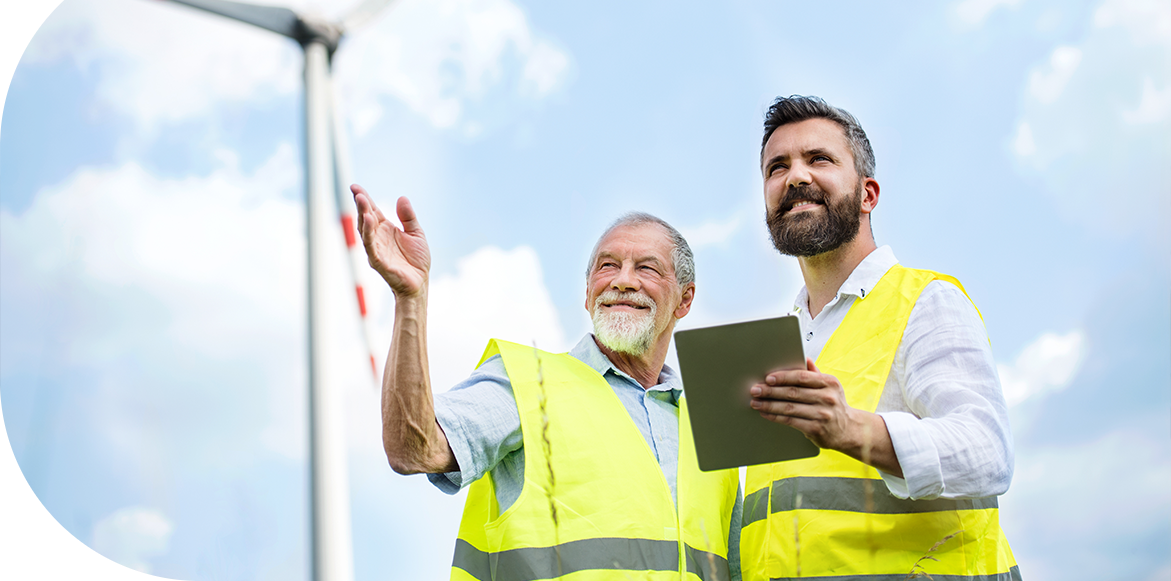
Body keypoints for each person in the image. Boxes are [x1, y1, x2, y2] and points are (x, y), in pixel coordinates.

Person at [350, 184, 742, 581]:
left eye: (646, 268)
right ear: (588, 294)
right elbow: (413, 449)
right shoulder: (527, 383)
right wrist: (410, 299)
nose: (622, 280)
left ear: (685, 299)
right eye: (607, 266)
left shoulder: (712, 431)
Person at [740, 96, 1020, 580]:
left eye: (819, 159)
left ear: (868, 194)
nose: (795, 177)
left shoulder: (926, 301)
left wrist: (853, 430)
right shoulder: (779, 342)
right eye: (776, 167)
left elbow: (987, 452)